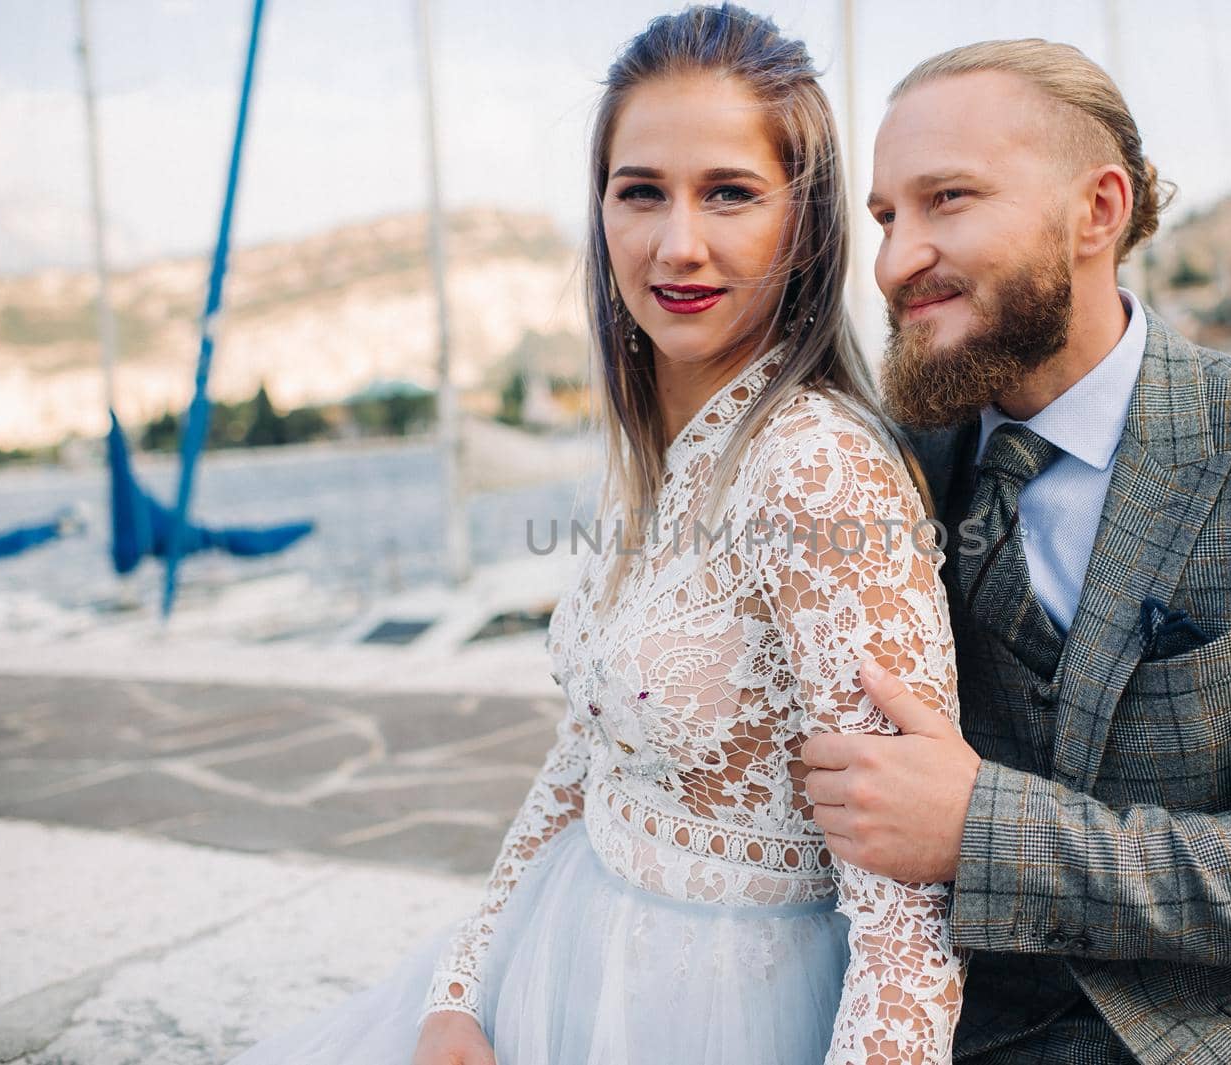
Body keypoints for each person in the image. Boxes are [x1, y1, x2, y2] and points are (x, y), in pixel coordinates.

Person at [225, 7, 964, 1065]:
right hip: (564, 959)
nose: (678, 243)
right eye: (640, 191)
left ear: (803, 225)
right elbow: (585, 760)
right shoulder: (658, 455)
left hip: (724, 1016)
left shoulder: (816, 467)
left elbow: (906, 918)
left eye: (729, 194)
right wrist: (463, 984)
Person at [799, 40, 1231, 1064]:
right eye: (887, 217)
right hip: (983, 1028)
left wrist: (982, 828)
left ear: (1097, 210)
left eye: (948, 200)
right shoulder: (883, 465)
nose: (894, 261)